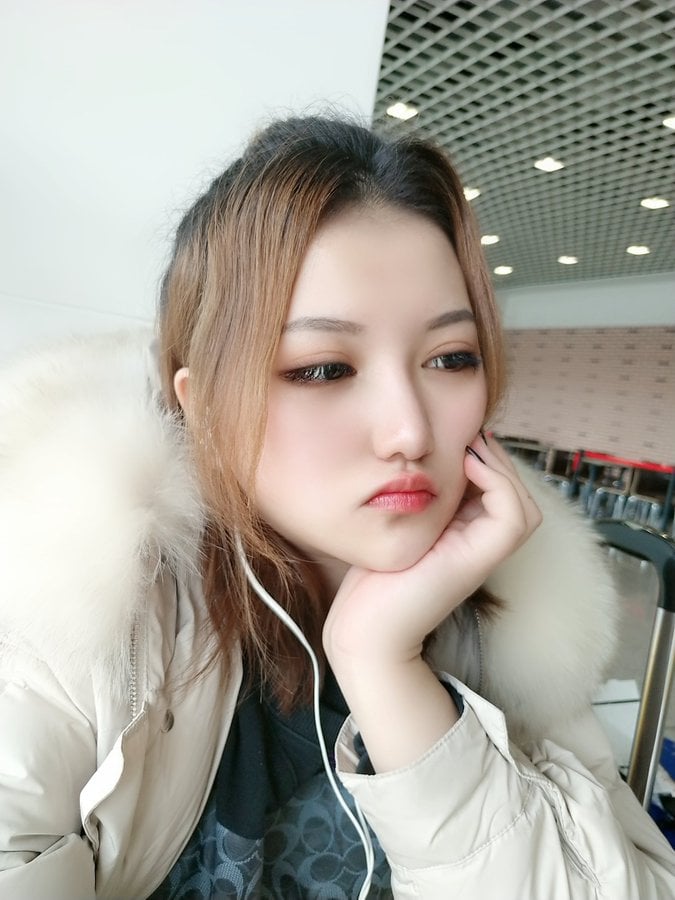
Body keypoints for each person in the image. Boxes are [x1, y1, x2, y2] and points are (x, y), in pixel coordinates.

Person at [0, 115, 673, 900]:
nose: (409, 430)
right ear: (201, 404)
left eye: (450, 358)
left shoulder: (515, 622)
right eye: (323, 369)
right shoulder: (75, 608)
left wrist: (382, 665)